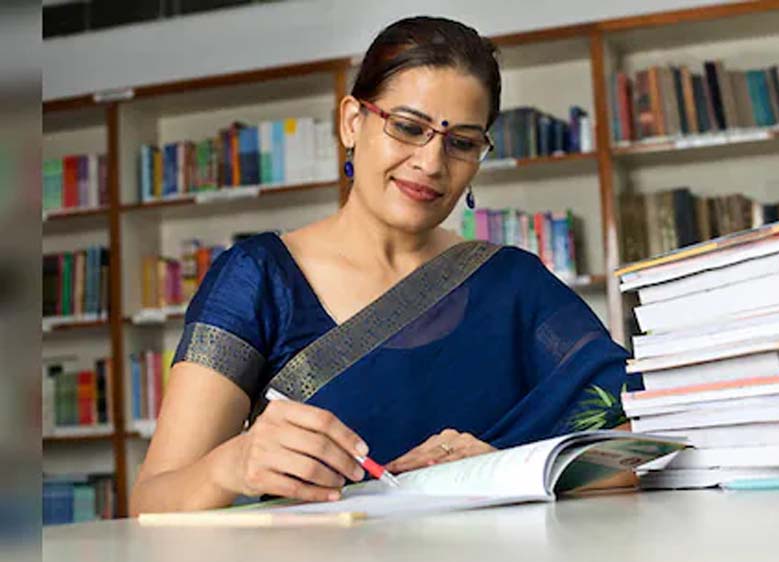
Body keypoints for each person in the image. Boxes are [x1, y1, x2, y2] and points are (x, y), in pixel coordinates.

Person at [129, 15, 639, 515]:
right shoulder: (257, 279)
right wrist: (232, 464)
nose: (431, 163)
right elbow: (151, 503)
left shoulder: (514, 284)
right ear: (352, 122)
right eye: (408, 128)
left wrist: (501, 467)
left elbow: (640, 442)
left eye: (462, 142)